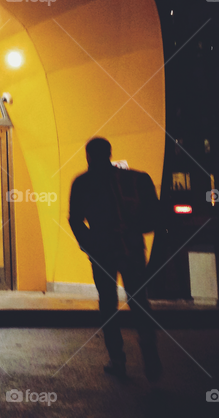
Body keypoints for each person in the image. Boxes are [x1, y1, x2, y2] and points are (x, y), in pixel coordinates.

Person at [69, 137, 162, 381]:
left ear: (88, 155)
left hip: (101, 251)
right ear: (110, 153)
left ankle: (117, 359)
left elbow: (75, 219)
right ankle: (150, 357)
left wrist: (88, 244)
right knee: (139, 301)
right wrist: (131, 230)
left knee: (108, 304)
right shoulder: (136, 179)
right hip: (132, 248)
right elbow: (155, 216)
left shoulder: (82, 183)